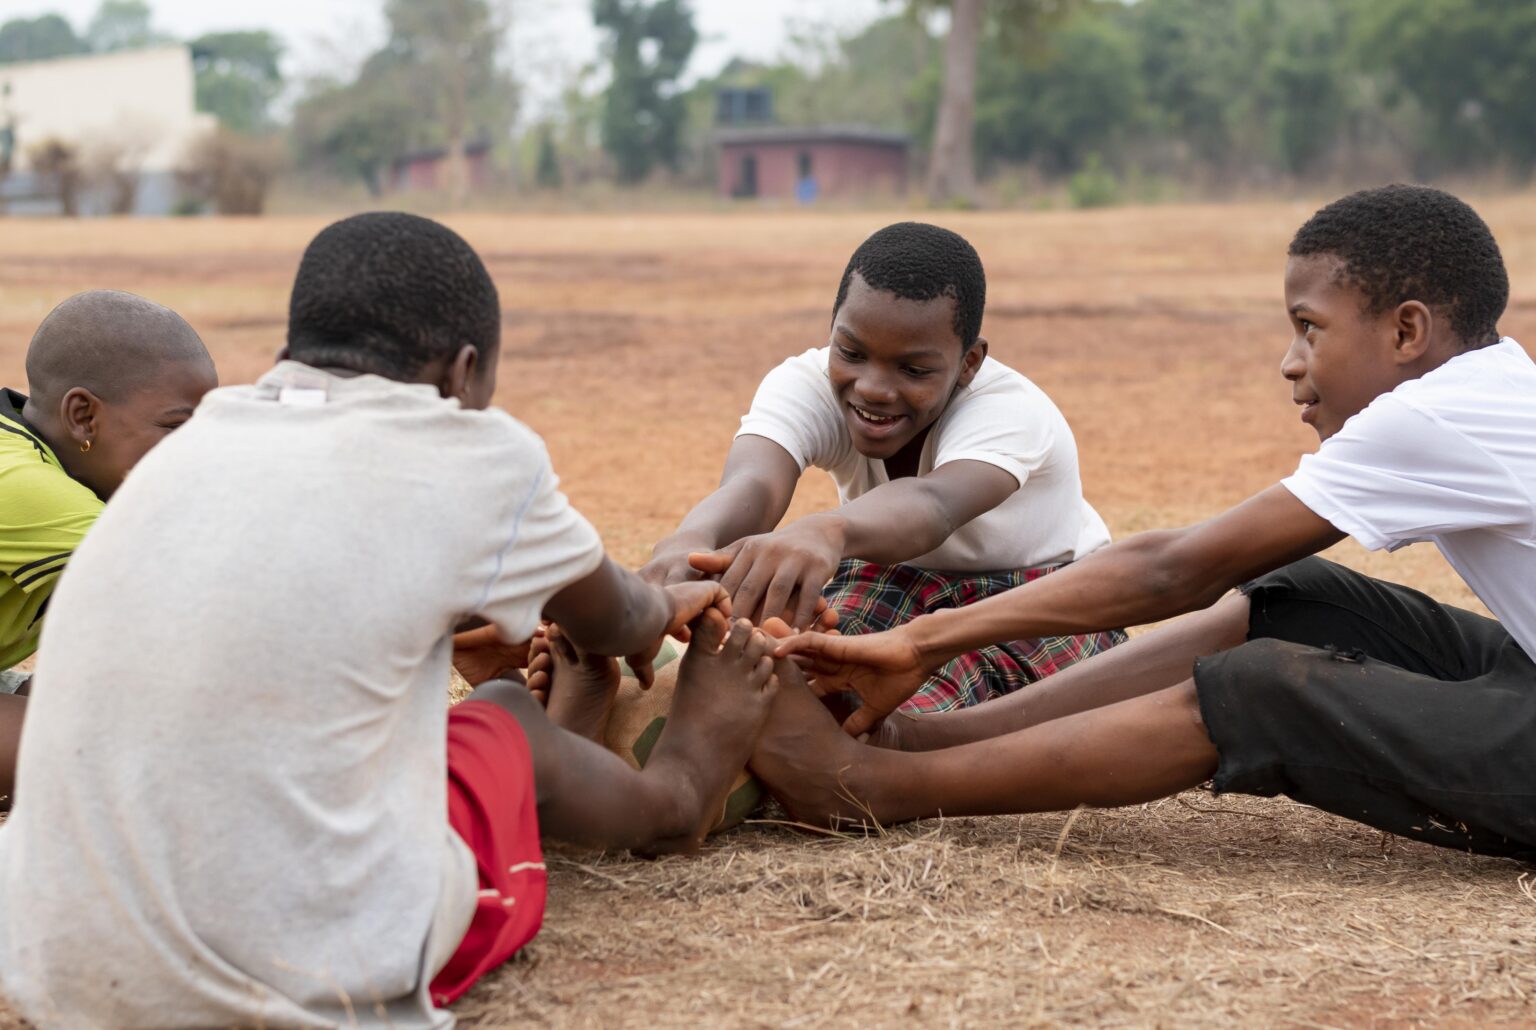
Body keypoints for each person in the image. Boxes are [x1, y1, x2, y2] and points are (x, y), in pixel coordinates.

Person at [0, 212, 780, 1028]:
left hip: (58, 960)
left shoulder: (187, 444)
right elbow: (623, 623)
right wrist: (663, 595)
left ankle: (564, 739)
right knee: (512, 723)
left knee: (463, 720)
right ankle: (677, 798)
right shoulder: (473, 453)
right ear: (465, 373)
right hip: (280, 975)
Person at [761, 184, 1536, 861]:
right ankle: (917, 737)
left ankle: (882, 785)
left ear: (1406, 332)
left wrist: (922, 639)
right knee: (1294, 597)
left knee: (1263, 687)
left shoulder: (1432, 418)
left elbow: (1177, 570)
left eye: (1310, 327)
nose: (1290, 362)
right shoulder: (1490, 386)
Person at [643, 221, 1122, 714]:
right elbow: (755, 483)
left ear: (969, 363)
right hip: (891, 577)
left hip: (1033, 592)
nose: (873, 387)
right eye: (851, 352)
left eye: (913, 370)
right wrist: (688, 544)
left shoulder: (1010, 410)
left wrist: (826, 531)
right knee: (797, 674)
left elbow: (933, 505)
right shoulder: (807, 383)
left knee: (896, 715)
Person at [0, 290, 215, 801]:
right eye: (175, 427)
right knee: (117, 748)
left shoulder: (64, 466)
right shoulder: (22, 484)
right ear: (82, 416)